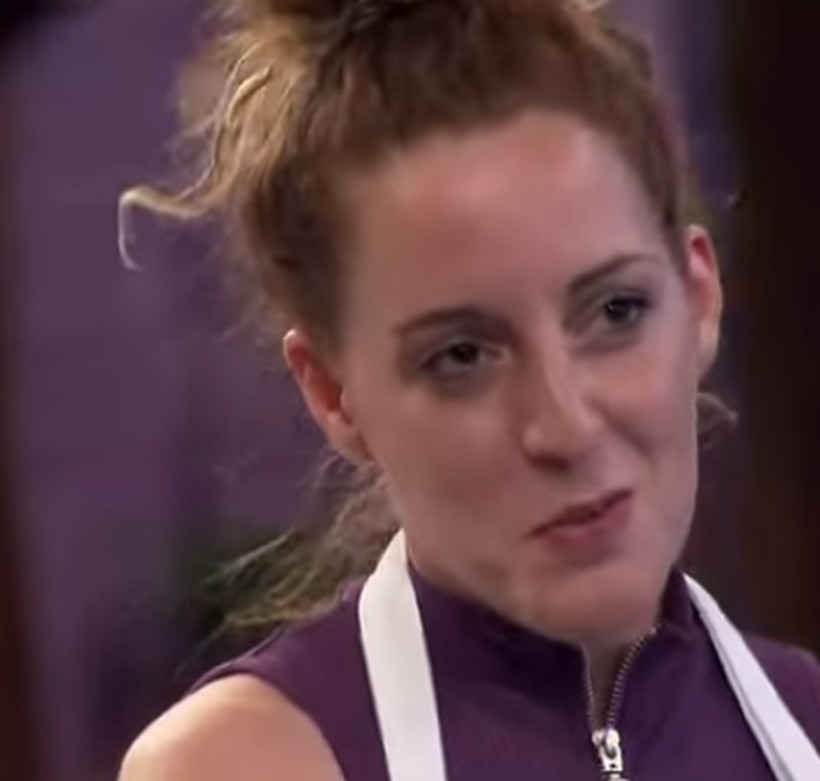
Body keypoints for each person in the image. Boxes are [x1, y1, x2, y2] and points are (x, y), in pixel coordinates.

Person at [118, 1, 820, 779]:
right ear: (334, 392)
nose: (566, 425)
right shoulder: (245, 761)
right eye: (461, 356)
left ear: (698, 297)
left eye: (616, 311)